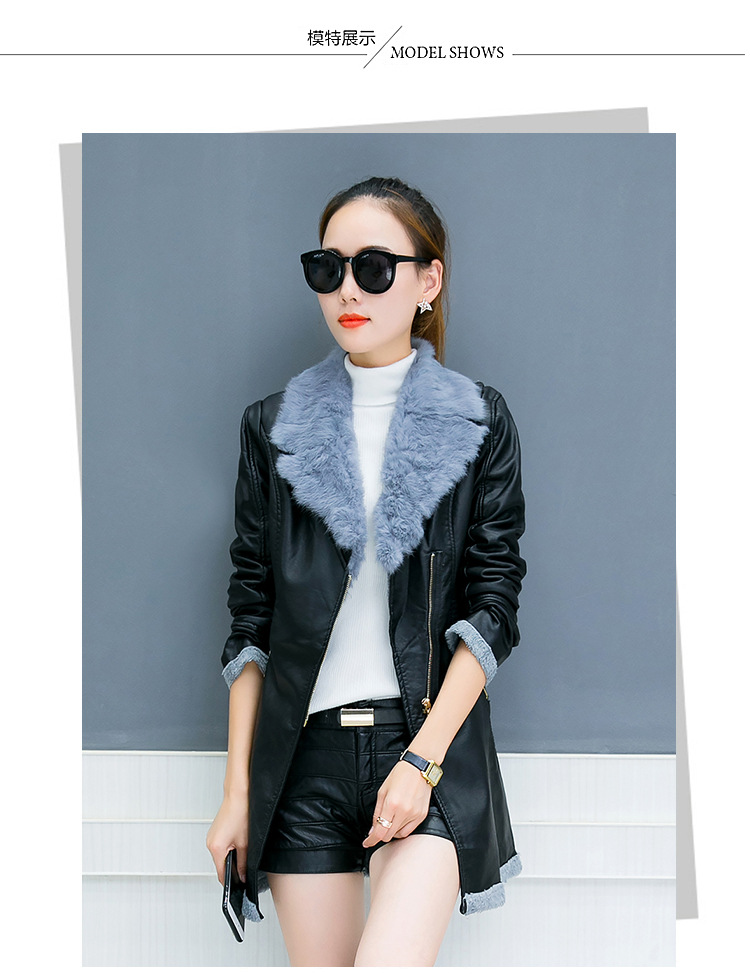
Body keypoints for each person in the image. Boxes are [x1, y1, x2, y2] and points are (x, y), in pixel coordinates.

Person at [206, 176, 526, 966]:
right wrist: (237, 793)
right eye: (328, 268)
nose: (348, 290)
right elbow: (251, 617)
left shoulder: (478, 419)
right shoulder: (273, 427)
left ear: (428, 280)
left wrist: (422, 759)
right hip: (302, 759)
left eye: (374, 267)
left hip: (424, 743)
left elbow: (493, 606)